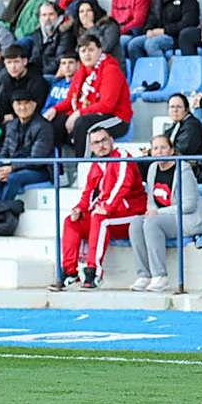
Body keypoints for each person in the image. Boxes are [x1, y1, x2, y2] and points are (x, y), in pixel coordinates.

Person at [55, 122, 146, 289]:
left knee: (99, 218)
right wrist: (79, 209)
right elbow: (88, 194)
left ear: (111, 140)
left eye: (104, 140)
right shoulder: (96, 164)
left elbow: (122, 185)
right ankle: (70, 273)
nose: (101, 145)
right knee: (71, 221)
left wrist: (108, 207)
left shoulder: (122, 156)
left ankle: (93, 273)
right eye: (96, 143)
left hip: (132, 213)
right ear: (91, 147)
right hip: (109, 216)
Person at [128, 134, 202, 292]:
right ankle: (144, 275)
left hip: (189, 219)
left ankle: (160, 276)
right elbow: (151, 200)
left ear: (171, 150)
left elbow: (188, 205)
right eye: (155, 148)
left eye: (163, 148)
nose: (159, 152)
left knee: (152, 223)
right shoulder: (152, 168)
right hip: (165, 217)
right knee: (136, 223)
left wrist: (158, 212)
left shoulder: (183, 169)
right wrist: (152, 211)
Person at [44, 34, 131, 156]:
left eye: (91, 50)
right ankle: (58, 166)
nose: (87, 54)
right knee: (57, 122)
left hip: (116, 117)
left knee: (83, 124)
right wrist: (54, 109)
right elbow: (70, 100)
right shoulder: (81, 72)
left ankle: (83, 165)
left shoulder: (111, 70)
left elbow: (107, 105)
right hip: (89, 114)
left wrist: (78, 113)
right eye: (83, 51)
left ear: (100, 50)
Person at [0, 86, 55, 202]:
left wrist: (12, 168)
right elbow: (4, 151)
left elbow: (37, 159)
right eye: (18, 104)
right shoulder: (11, 125)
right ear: (13, 106)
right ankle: (3, 208)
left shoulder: (44, 127)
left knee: (13, 178)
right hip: (15, 168)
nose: (22, 107)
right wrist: (1, 168)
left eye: (26, 103)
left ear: (34, 105)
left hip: (39, 170)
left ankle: (4, 209)